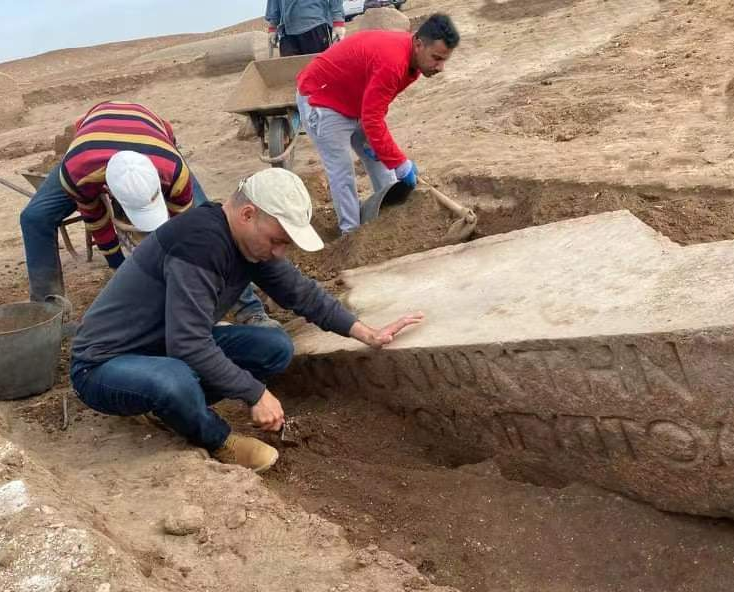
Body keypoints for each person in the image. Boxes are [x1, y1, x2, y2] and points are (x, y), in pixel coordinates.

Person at [70, 168, 423, 472]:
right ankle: (217, 439)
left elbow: (300, 292)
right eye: (277, 240)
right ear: (248, 214)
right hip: (103, 366)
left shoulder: (248, 243)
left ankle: (171, 407)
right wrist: (256, 394)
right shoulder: (199, 245)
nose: (279, 252)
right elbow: (188, 343)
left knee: (275, 347)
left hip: (162, 349)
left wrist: (365, 333)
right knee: (174, 379)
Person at [19, 100, 275, 326]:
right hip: (91, 145)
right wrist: (120, 267)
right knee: (33, 218)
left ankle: (250, 309)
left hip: (153, 135)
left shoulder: (174, 171)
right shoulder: (78, 173)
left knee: (210, 224)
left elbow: (187, 230)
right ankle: (48, 313)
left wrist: (181, 277)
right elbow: (96, 221)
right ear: (108, 190)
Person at [296, 13, 460, 234]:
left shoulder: (413, 62)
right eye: (437, 58)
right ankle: (351, 233)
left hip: (354, 100)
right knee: (342, 171)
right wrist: (401, 162)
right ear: (419, 44)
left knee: (382, 161)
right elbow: (373, 119)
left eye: (444, 60)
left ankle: (392, 217)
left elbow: (375, 109)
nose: (440, 68)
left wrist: (387, 154)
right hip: (321, 97)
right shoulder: (393, 62)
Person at [266, 0, 346, 57]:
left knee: (319, 70)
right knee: (290, 73)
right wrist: (272, 26)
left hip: (315, 25)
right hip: (287, 32)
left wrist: (338, 21)